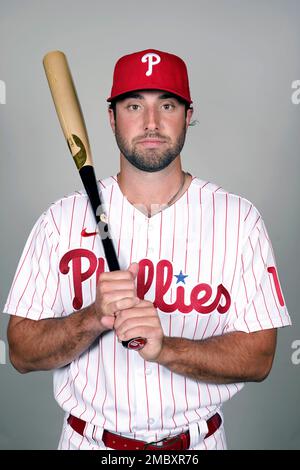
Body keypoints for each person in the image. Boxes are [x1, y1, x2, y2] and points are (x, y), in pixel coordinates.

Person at [4, 49, 291, 450]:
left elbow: (260, 358)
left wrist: (166, 349)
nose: (151, 123)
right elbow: (19, 351)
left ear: (188, 114)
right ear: (111, 117)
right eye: (134, 105)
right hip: (91, 444)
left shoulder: (239, 221)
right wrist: (93, 318)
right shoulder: (61, 220)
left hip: (196, 446)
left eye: (167, 105)